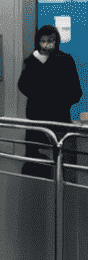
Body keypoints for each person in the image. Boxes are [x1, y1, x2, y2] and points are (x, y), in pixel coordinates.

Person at [18, 24, 82, 178]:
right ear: (38, 41)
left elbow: (76, 92)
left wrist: (55, 100)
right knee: (35, 165)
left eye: (51, 40)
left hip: (58, 121)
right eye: (44, 40)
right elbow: (23, 85)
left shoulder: (66, 60)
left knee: (61, 165)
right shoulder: (30, 61)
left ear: (57, 41)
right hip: (36, 122)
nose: (47, 44)